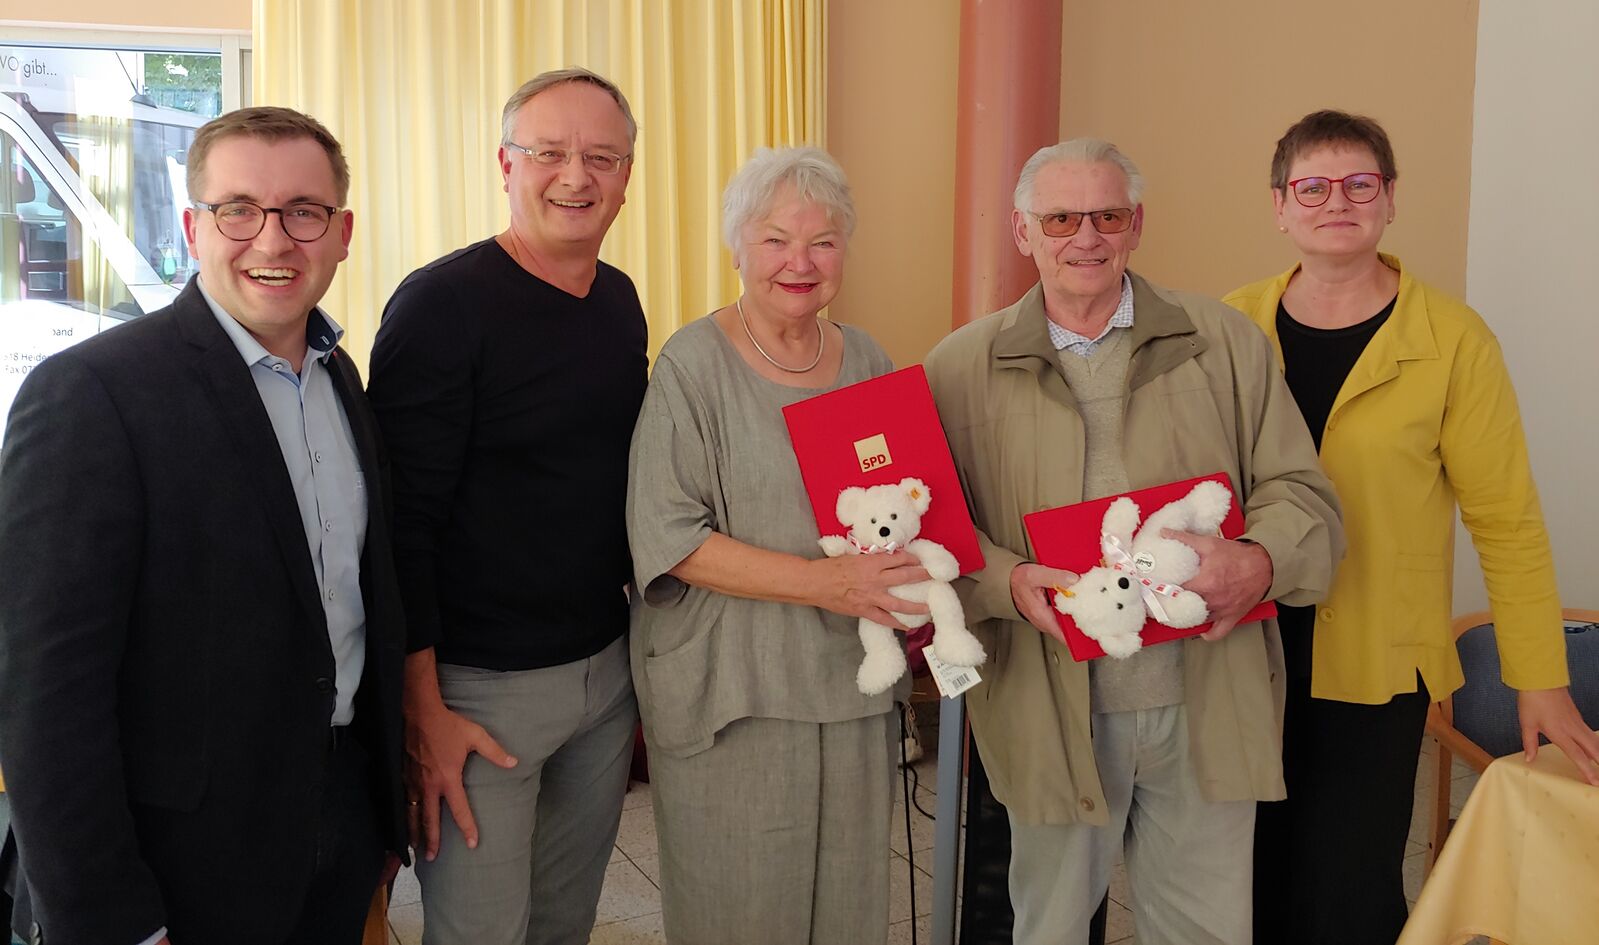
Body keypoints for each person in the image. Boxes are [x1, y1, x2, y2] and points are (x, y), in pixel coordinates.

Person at [0, 106, 406, 945]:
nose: (272, 240)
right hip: (178, 860)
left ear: (342, 233)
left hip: (334, 824)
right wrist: (111, 918)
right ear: (193, 226)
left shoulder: (342, 382)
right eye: (238, 210)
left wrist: (375, 818)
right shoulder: (94, 393)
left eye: (303, 211)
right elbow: (44, 691)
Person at [923, 138, 1344, 945]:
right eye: (1060, 218)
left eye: (1106, 214)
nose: (1085, 236)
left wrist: (1257, 561)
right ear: (1022, 232)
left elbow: (1303, 496)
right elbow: (938, 539)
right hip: (1049, 706)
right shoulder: (958, 367)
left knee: (1205, 930)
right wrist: (1006, 581)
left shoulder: (1221, 341)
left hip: (1205, 699)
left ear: (1136, 224)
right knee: (1045, 927)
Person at [1224, 108, 1599, 945]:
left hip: (1377, 652)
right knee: (1245, 868)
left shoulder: (1453, 339)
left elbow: (1506, 521)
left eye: (1359, 183)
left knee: (1349, 880)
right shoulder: (1229, 326)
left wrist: (1537, 673)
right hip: (1240, 643)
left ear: (1388, 199)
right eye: (1312, 186)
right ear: (1280, 206)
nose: (1336, 201)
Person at [365, 68, 646, 945]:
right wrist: (422, 710)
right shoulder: (441, 305)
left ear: (627, 175)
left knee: (562, 923)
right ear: (504, 163)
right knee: (480, 932)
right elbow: (399, 523)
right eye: (549, 152)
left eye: (600, 156)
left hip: (604, 674)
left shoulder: (618, 300)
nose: (576, 176)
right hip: (477, 690)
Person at [626, 146, 924, 945]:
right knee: (741, 911)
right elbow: (670, 538)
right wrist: (828, 583)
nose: (800, 261)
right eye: (774, 239)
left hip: (850, 684)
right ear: (736, 247)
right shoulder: (692, 363)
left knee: (850, 907)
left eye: (822, 241)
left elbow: (904, 508)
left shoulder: (865, 360)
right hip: (735, 688)